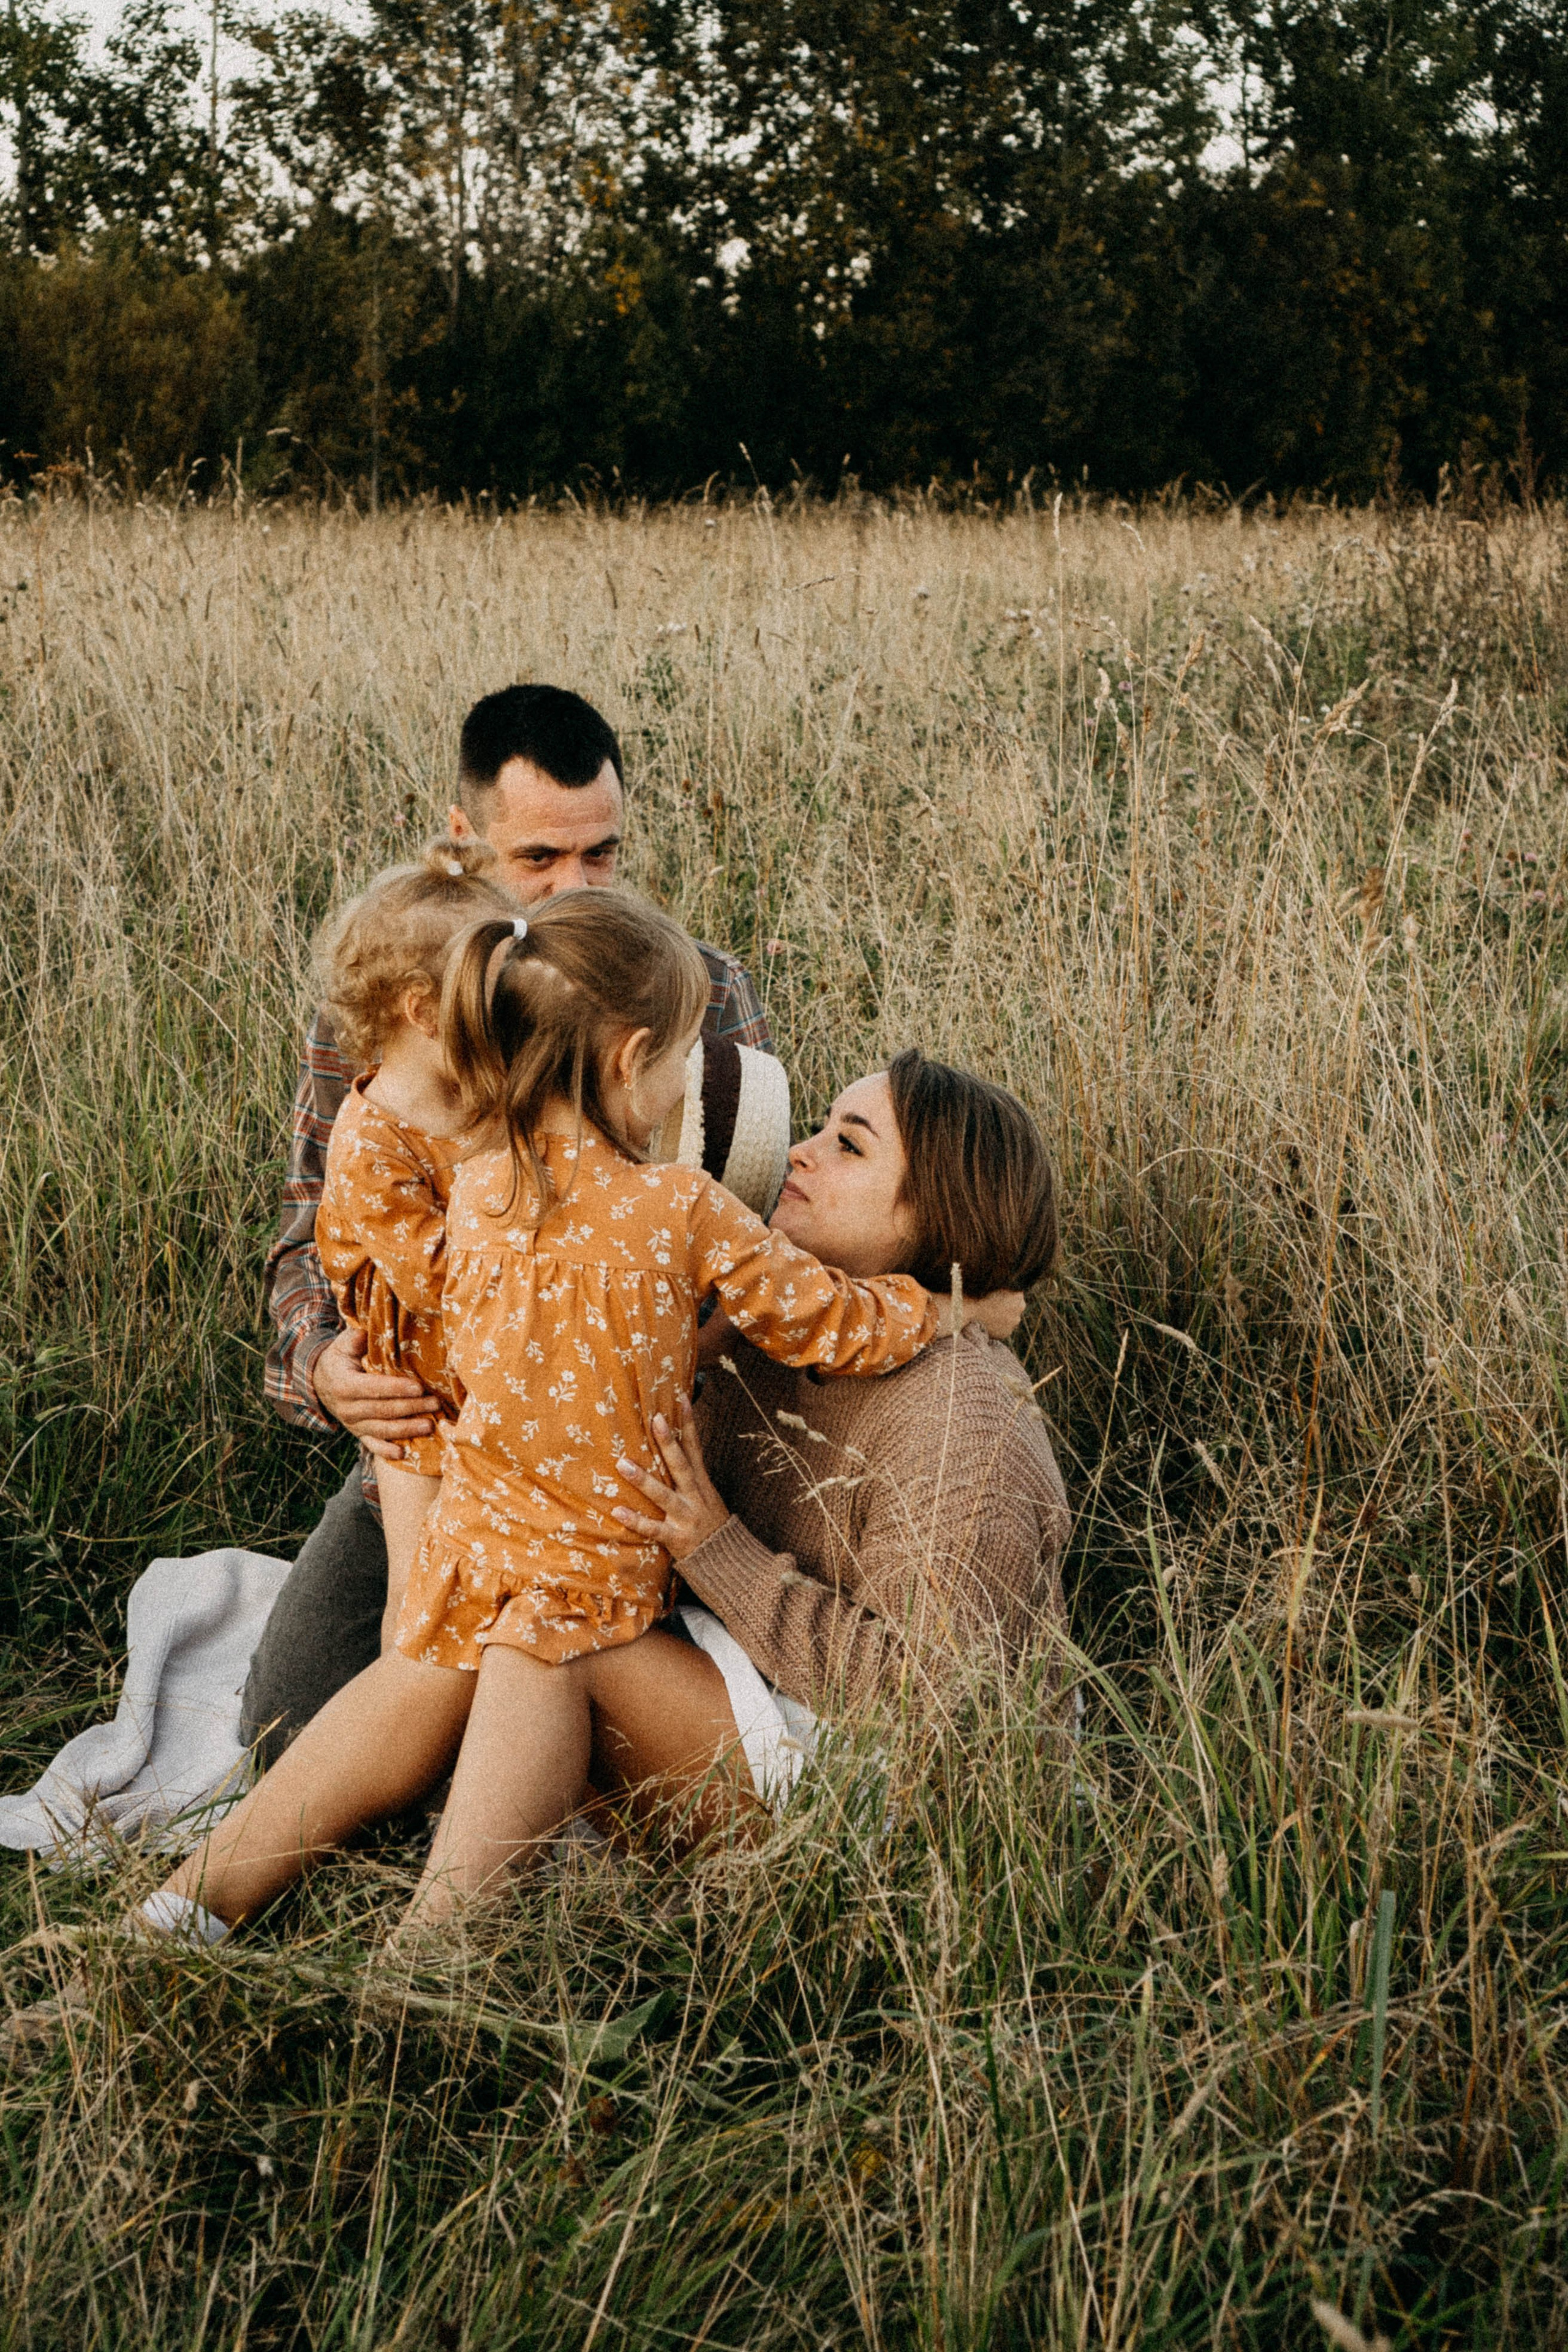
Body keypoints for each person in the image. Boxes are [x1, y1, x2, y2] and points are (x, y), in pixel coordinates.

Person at [143, 892, 991, 1945]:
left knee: (413, 1687)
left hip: (478, 1537)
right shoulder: (679, 1210)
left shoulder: (477, 1195)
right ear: (634, 1059)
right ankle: (426, 1960)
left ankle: (192, 1902)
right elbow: (832, 1323)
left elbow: (514, 1331)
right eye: (685, 1057)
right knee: (521, 1673)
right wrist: (954, 1303)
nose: (688, 1083)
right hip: (589, 1570)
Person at [244, 683, 773, 1759]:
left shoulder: (697, 991)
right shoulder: (395, 995)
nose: (575, 887)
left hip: (628, 1431)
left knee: (578, 1706)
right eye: (539, 860)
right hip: (440, 1430)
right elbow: (307, 1241)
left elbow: (751, 1231)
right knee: (282, 1731)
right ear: (464, 842)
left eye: (602, 856)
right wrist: (328, 1371)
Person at [587, 1049, 1071, 1806]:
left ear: (943, 1211)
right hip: (751, 1684)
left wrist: (717, 1551)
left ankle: (441, 1899)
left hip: (896, 1794)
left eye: (848, 1145)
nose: (798, 1154)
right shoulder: (779, 1326)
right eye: (818, 1129)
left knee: (563, 1645)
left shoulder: (962, 1421)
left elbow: (939, 1704)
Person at [312, 832, 513, 1649]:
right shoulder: (371, 1140)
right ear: (425, 1012)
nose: (516, 1021)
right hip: (417, 1407)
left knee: (496, 1572)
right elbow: (432, 1275)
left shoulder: (480, 1092)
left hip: (489, 1379)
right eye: (499, 1001)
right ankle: (404, 1710)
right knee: (421, 1587)